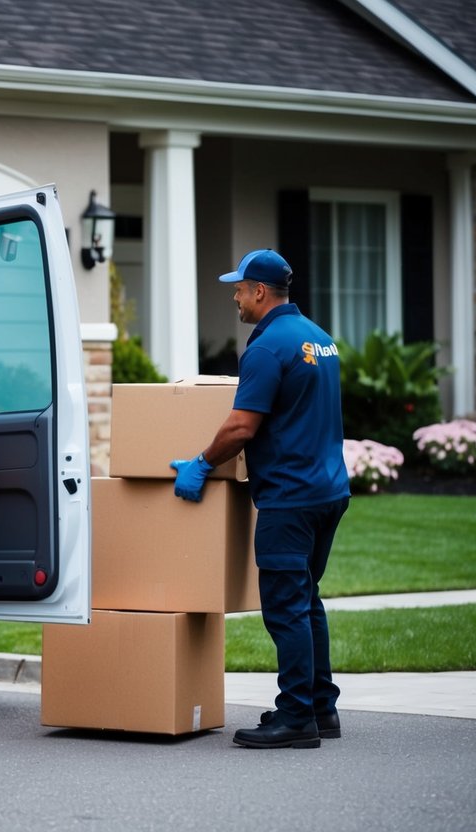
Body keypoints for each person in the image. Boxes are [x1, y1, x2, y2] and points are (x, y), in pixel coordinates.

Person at [169, 248, 350, 750]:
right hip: (329, 491)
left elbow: (242, 425)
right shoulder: (319, 339)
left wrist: (203, 462)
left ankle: (295, 719)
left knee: (286, 608)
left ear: (261, 292)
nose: (235, 296)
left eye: (240, 288)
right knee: (306, 598)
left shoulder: (268, 347)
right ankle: (320, 707)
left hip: (290, 498)